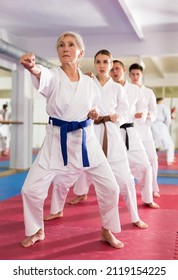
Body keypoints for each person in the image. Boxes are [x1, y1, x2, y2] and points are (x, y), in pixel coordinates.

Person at [19, 31, 124, 249]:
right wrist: (31, 66)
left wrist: (93, 113)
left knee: (111, 188)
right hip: (56, 141)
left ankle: (107, 229)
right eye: (60, 45)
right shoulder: (53, 75)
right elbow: (41, 74)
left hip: (87, 141)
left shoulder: (89, 82)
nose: (65, 48)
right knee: (30, 190)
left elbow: (92, 105)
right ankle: (36, 230)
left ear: (80, 52)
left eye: (70, 44)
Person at [45, 49, 148, 229]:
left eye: (105, 62)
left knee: (124, 179)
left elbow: (125, 111)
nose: (102, 66)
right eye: (98, 62)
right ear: (94, 64)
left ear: (111, 64)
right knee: (65, 173)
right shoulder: (87, 82)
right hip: (89, 133)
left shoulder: (117, 88)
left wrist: (117, 117)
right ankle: (56, 208)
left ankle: (134, 216)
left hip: (112, 134)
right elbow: (76, 101)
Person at [110, 60, 159, 208]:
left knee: (147, 164)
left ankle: (148, 196)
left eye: (117, 69)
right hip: (111, 132)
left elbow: (145, 108)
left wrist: (143, 115)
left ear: (123, 70)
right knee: (96, 166)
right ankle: (82, 192)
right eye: (112, 70)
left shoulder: (135, 90)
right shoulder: (106, 88)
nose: (115, 72)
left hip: (132, 131)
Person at [128, 63, 160, 198]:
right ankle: (130, 184)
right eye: (133, 74)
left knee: (152, 158)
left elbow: (154, 110)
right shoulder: (126, 90)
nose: (135, 77)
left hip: (145, 130)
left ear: (142, 75)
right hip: (130, 130)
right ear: (129, 75)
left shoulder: (149, 92)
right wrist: (132, 115)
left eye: (138, 74)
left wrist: (148, 116)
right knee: (129, 160)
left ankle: (153, 187)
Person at [151, 98, 175, 165]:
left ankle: (151, 160)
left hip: (152, 125)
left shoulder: (153, 107)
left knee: (153, 144)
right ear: (162, 100)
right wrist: (166, 127)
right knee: (170, 144)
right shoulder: (164, 107)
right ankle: (169, 160)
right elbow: (168, 120)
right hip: (161, 125)